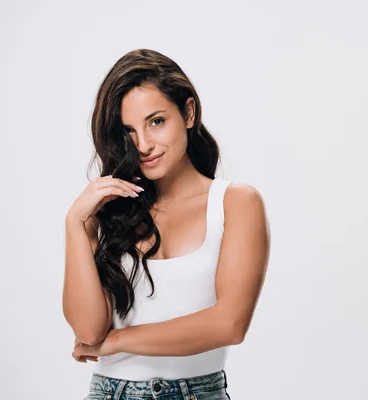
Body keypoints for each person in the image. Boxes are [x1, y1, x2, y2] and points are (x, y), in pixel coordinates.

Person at [63, 48, 270, 400]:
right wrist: (75, 225)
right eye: (129, 130)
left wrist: (117, 341)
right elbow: (88, 328)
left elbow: (229, 324)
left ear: (188, 112)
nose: (143, 145)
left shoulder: (235, 203)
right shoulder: (113, 211)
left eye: (156, 121)